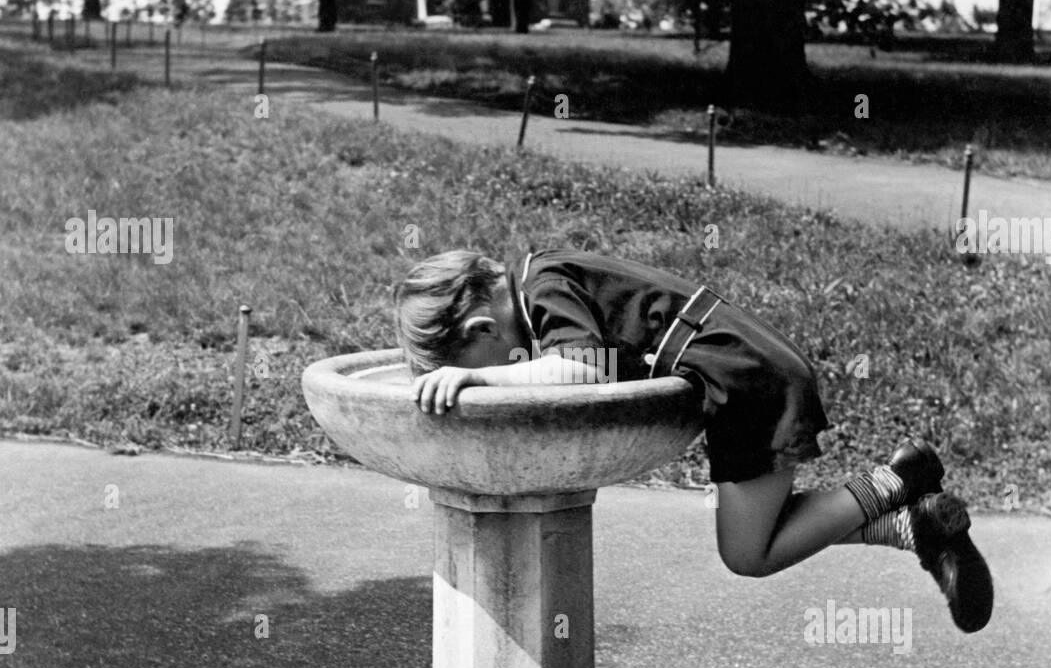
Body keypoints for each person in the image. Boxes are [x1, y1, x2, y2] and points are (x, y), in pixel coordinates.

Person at [392, 247, 993, 632]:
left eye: (478, 356)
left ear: (481, 328)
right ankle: (913, 525)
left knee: (748, 554)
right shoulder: (541, 271)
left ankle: (899, 479)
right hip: (746, 371)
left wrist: (479, 377)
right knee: (767, 531)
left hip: (747, 385)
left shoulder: (543, 289)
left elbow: (578, 370)